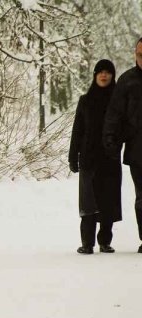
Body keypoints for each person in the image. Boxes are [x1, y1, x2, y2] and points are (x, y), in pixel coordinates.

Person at [69, 59, 122, 255]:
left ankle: (105, 242)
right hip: (89, 159)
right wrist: (72, 156)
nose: (104, 75)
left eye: (108, 72)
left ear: (112, 75)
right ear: (94, 75)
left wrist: (116, 145)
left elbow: (125, 127)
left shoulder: (118, 101)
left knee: (107, 200)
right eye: (100, 71)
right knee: (88, 202)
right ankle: (87, 243)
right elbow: (77, 131)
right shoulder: (86, 100)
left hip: (109, 158)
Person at [103, 37, 142, 253]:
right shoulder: (127, 82)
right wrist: (110, 138)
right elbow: (114, 114)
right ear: (135, 55)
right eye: (140, 55)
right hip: (138, 150)